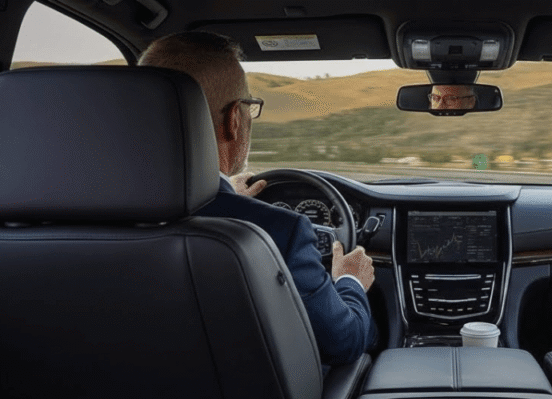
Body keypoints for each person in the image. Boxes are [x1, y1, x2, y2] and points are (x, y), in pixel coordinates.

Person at [139, 31, 376, 366]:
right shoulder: (276, 230)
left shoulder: (53, 220)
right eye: (250, 107)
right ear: (234, 119)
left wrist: (219, 199)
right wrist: (349, 279)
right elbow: (343, 343)